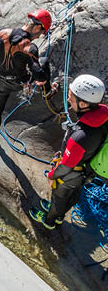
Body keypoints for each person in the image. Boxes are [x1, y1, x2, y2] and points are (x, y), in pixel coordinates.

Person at [30, 74, 108, 229]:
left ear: (84, 103)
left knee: (59, 196)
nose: (68, 100)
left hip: (72, 173)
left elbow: (65, 166)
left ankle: (50, 221)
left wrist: (52, 175)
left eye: (71, 97)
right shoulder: (103, 114)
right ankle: (58, 214)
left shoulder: (80, 136)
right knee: (72, 195)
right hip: (87, 169)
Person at [0, 9, 58, 144]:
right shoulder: (29, 46)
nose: (39, 36)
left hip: (1, 82)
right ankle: (47, 92)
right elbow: (38, 74)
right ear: (38, 27)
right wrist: (43, 80)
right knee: (44, 62)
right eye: (41, 33)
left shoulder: (2, 32)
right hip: (20, 83)